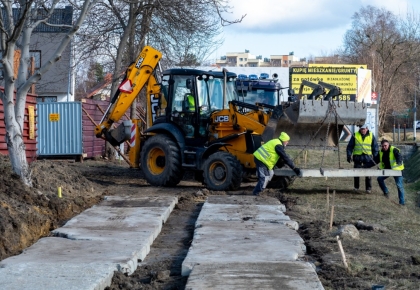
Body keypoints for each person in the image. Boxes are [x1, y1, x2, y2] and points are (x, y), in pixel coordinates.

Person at [252, 132, 302, 196]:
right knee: (263, 177)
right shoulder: (278, 145)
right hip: (260, 159)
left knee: (270, 174)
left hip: (265, 161)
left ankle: (261, 189)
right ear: (283, 140)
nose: (287, 142)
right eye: (287, 141)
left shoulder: (276, 142)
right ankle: (256, 192)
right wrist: (294, 168)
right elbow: (285, 157)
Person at [346, 124, 379, 193]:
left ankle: (368, 189)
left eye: (364, 129)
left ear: (367, 129)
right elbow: (350, 147)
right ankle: (356, 187)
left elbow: (375, 147)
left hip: (368, 157)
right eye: (361, 129)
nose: (362, 130)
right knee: (356, 172)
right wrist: (349, 155)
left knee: (368, 173)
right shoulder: (355, 135)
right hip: (357, 156)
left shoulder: (371, 135)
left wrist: (376, 158)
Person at [375, 139, 405, 205]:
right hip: (387, 170)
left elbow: (399, 156)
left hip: (397, 170)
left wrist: (399, 161)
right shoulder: (381, 152)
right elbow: (375, 160)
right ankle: (386, 192)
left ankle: (402, 203)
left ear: (388, 145)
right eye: (382, 146)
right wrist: (366, 165)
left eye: (385, 146)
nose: (384, 147)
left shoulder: (394, 150)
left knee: (399, 186)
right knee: (379, 179)